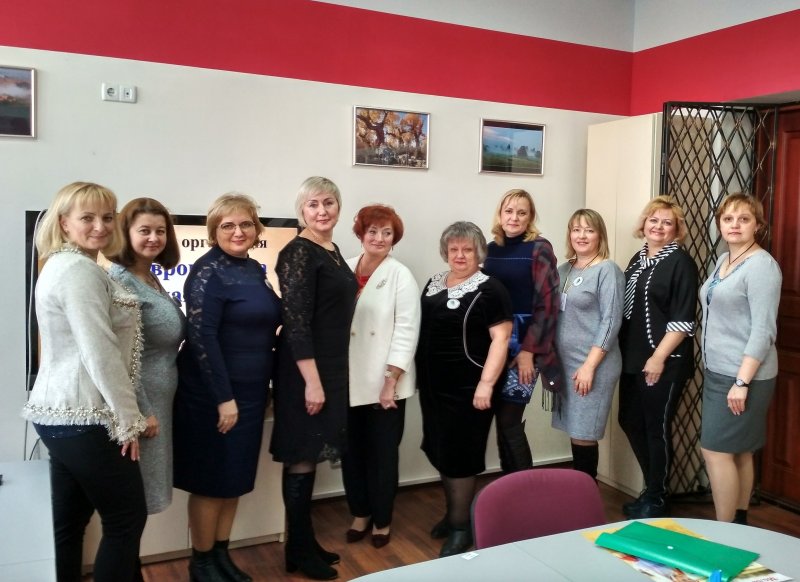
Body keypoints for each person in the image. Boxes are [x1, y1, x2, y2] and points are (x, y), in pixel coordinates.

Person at [22, 182, 147, 582]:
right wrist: (129, 420)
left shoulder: (60, 265)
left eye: (107, 217)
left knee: (69, 523)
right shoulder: (78, 271)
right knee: (126, 519)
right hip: (86, 415)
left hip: (58, 415)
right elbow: (100, 351)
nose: (100, 226)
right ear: (64, 222)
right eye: (88, 218)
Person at [173, 193, 281, 582]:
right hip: (214, 395)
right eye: (228, 225)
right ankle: (201, 563)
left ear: (257, 228)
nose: (238, 231)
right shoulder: (207, 272)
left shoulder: (253, 269)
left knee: (234, 479)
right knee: (211, 481)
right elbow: (202, 338)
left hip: (250, 393)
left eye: (246, 224)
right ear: (214, 231)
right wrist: (224, 399)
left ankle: (220, 556)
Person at [271, 177, 358, 580]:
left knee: (311, 454)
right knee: (302, 456)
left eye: (328, 202)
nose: (322, 211)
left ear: (338, 206)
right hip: (305, 371)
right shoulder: (298, 252)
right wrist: (312, 381)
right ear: (301, 211)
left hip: (331, 367)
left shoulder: (331, 250)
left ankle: (302, 544)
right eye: (312, 204)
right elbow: (296, 323)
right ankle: (298, 549)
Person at [417, 221, 512, 557]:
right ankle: (453, 515)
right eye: (454, 249)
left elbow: (501, 339)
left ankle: (462, 527)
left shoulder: (491, 289)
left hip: (469, 388)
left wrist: (486, 384)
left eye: (467, 249)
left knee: (461, 455)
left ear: (478, 252)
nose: (460, 255)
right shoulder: (434, 283)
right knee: (442, 449)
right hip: (433, 387)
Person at [342, 205, 421, 549]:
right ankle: (360, 513)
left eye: (386, 233)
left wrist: (391, 380)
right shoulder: (343, 267)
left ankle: (382, 519)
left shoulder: (400, 275)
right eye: (372, 231)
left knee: (383, 454)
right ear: (360, 234)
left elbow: (406, 331)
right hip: (347, 379)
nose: (379, 238)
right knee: (351, 452)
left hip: (386, 381)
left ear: (394, 238)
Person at [700, 193, 781, 524]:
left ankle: (724, 531)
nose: (735, 225)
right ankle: (740, 521)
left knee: (715, 451)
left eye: (744, 219)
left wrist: (742, 382)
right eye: (728, 219)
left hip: (744, 375)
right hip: (719, 371)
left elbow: (763, 331)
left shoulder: (762, 266)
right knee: (740, 451)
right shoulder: (724, 259)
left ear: (757, 226)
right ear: (720, 224)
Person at [618, 195, 698, 519]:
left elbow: (683, 319)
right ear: (644, 224)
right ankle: (653, 487)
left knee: (656, 428)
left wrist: (658, 357)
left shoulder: (680, 262)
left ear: (676, 229)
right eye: (654, 220)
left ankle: (658, 497)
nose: (659, 227)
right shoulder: (637, 260)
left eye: (667, 222)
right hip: (631, 357)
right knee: (629, 420)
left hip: (664, 360)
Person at [107, 198, 186, 516]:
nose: (154, 238)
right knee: (134, 504)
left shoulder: (148, 277)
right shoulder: (121, 282)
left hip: (160, 402)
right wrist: (143, 410)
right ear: (126, 234)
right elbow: (120, 355)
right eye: (145, 231)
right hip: (145, 408)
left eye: (160, 231)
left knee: (146, 500)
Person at [483, 189, 562, 474]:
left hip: (525, 346)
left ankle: (524, 488)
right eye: (509, 211)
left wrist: (529, 351)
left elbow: (548, 305)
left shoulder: (539, 249)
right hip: (492, 343)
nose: (514, 218)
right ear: (500, 214)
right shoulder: (490, 250)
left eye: (521, 212)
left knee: (509, 419)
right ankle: (508, 487)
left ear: (530, 217)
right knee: (497, 419)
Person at [552, 209, 624, 480]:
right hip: (566, 364)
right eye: (576, 229)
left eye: (589, 230)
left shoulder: (607, 270)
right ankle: (580, 493)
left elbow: (610, 321)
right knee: (575, 430)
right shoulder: (563, 270)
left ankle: (587, 494)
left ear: (600, 235)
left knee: (584, 432)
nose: (581, 236)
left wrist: (589, 366)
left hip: (593, 364)